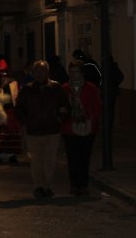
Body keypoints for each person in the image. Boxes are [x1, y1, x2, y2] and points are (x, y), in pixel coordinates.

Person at [16, 60, 70, 199]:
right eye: (38, 71)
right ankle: (39, 185)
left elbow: (65, 106)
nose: (41, 74)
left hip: (52, 129)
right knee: (36, 160)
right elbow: (20, 109)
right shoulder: (27, 89)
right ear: (33, 73)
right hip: (34, 129)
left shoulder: (55, 88)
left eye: (43, 71)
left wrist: (60, 118)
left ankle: (47, 185)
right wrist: (25, 122)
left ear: (48, 72)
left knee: (50, 160)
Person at [61, 60, 102, 196]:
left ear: (82, 73)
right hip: (70, 128)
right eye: (71, 72)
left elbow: (97, 107)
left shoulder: (91, 88)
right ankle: (75, 185)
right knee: (73, 158)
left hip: (87, 127)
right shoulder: (65, 88)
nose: (74, 75)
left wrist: (89, 117)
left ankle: (83, 185)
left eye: (76, 72)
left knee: (84, 157)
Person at [0, 59, 22, 163]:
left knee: (11, 132)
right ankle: (2, 153)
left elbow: (15, 96)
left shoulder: (13, 83)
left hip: (10, 111)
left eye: (4, 72)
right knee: (1, 132)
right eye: (0, 72)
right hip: (1, 110)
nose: (2, 75)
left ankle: (12, 154)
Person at [108, 56, 124, 130]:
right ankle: (109, 124)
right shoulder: (112, 68)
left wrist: (114, 83)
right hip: (110, 91)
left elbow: (120, 77)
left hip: (111, 92)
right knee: (110, 109)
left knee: (110, 109)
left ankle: (109, 124)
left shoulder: (112, 68)